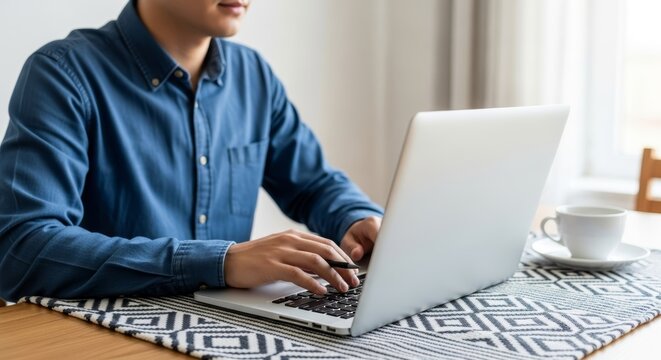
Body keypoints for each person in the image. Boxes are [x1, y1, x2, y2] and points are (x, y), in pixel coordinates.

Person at [0, 0, 383, 302]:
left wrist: (356, 218)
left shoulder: (254, 76)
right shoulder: (63, 75)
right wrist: (220, 262)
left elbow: (313, 184)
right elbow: (21, 248)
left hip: (226, 328)